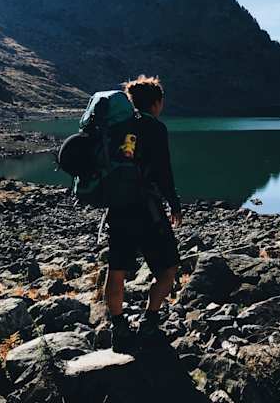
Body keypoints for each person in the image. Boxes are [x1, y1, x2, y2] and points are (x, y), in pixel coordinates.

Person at [104, 75, 183, 352]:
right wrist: (174, 203)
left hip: (118, 207)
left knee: (117, 269)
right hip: (147, 210)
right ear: (157, 103)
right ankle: (149, 321)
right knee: (169, 266)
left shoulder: (117, 126)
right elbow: (163, 171)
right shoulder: (155, 128)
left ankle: (119, 327)